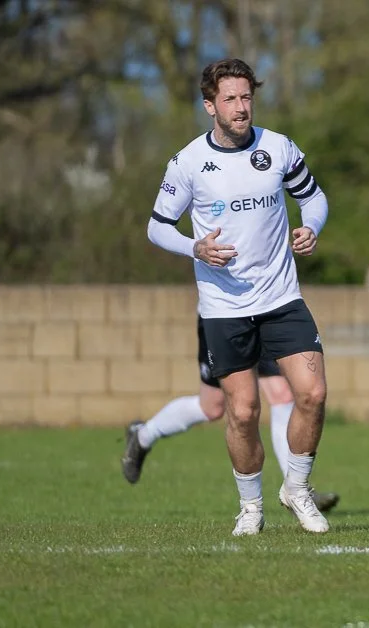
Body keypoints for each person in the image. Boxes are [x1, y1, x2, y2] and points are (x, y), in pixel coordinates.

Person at [146, 58, 332, 536]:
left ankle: (297, 488)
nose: (240, 107)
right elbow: (156, 226)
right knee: (243, 411)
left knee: (312, 393)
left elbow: (313, 197)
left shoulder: (278, 148)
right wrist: (196, 247)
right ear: (210, 106)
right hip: (225, 308)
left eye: (246, 97)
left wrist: (311, 225)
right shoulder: (188, 163)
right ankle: (251, 507)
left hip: (281, 296)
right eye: (229, 99)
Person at [121, 317, 340, 513]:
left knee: (282, 394)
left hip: (265, 309)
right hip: (223, 314)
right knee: (212, 406)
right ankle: (142, 436)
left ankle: (295, 491)